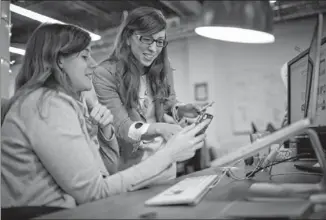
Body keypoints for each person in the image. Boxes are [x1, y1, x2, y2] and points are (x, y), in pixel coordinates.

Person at [1, 23, 210, 208]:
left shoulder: (65, 104)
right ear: (58, 61)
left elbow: (105, 174)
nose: (93, 64)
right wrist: (169, 154)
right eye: (84, 56)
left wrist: (104, 131)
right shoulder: (47, 104)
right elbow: (94, 193)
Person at [93, 6, 203, 171]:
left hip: (164, 163)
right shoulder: (105, 74)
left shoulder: (163, 66)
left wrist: (180, 109)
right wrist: (159, 128)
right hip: (131, 169)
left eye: (159, 41)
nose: (153, 49)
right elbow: (123, 128)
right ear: (128, 38)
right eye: (146, 39)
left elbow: (167, 103)